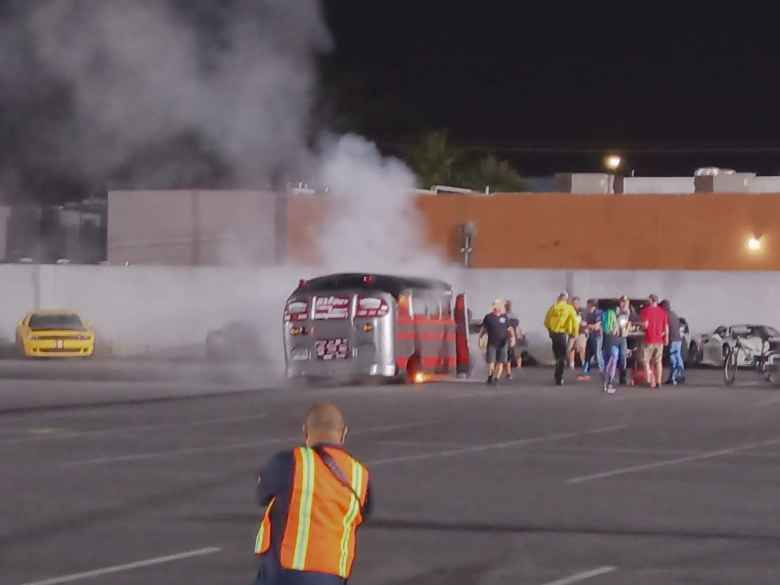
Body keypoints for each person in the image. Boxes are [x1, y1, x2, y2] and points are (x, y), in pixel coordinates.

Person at [254, 403, 372, 585]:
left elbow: (262, 495)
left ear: (305, 432)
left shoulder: (289, 461)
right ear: (344, 433)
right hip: (332, 576)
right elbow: (362, 516)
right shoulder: (360, 476)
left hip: (284, 575)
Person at [544, 292, 580, 386]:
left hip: (553, 334)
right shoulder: (569, 308)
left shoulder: (553, 308)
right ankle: (559, 377)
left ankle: (557, 374)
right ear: (566, 299)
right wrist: (575, 334)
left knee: (557, 356)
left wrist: (550, 331)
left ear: (559, 298)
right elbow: (575, 322)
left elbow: (546, 321)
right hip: (562, 334)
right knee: (562, 357)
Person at [479, 299, 514, 385]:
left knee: (501, 361)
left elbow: (510, 329)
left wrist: (513, 338)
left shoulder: (505, 317)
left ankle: (497, 378)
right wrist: (480, 338)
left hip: (503, 343)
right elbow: (483, 329)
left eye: (499, 306)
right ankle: (490, 376)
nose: (497, 307)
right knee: (491, 361)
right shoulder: (488, 317)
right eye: (496, 305)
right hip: (492, 343)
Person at [638, 294, 669, 390]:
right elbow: (666, 328)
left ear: (651, 300)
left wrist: (639, 325)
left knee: (645, 360)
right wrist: (666, 339)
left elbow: (645, 325)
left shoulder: (645, 311)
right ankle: (659, 382)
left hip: (648, 339)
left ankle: (650, 380)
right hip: (659, 340)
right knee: (658, 362)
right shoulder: (663, 312)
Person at [661, 299, 686, 385]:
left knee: (673, 359)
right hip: (678, 339)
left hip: (672, 339)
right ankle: (681, 375)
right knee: (678, 357)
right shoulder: (674, 314)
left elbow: (664, 328)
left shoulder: (665, 314)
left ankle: (673, 378)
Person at [579, 299, 604, 381]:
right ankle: (585, 372)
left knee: (597, 353)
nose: (588, 307)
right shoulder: (587, 313)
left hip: (597, 336)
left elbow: (596, 326)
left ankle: (602, 371)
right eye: (588, 305)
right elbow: (583, 325)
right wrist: (585, 326)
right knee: (588, 354)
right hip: (589, 336)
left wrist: (587, 325)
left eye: (589, 305)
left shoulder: (598, 313)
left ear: (593, 306)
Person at [601, 307, 621, 394]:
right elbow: (620, 334)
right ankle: (610, 381)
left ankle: (605, 381)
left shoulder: (603, 325)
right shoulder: (616, 324)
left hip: (605, 346)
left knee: (606, 364)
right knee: (613, 365)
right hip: (614, 346)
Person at [504, 300, 523, 379]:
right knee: (515, 352)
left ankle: (509, 372)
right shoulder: (514, 315)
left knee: (508, 353)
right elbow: (517, 326)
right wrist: (519, 335)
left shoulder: (503, 315)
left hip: (507, 336)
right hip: (513, 336)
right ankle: (519, 368)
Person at [567, 297, 585, 370]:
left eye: (576, 303)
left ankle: (584, 363)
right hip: (572, 333)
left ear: (579, 303)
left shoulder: (582, 311)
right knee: (571, 348)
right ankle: (571, 364)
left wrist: (583, 324)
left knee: (582, 348)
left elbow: (585, 320)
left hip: (581, 332)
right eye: (574, 303)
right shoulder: (569, 311)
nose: (575, 304)